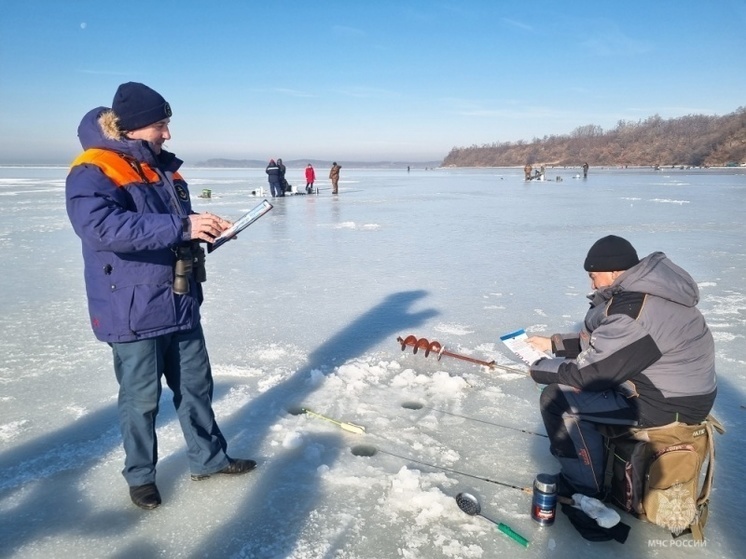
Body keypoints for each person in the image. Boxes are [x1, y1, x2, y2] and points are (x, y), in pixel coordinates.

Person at [65, 82, 257, 511]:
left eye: (167, 124)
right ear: (132, 128)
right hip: (131, 308)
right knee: (141, 399)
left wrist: (205, 228)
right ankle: (140, 477)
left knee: (196, 388)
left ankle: (208, 459)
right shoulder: (93, 169)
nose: (167, 134)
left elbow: (175, 222)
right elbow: (100, 228)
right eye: (160, 125)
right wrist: (181, 228)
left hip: (180, 298)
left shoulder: (163, 168)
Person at [526, 235, 717, 500]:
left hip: (667, 404)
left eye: (594, 276)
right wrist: (554, 344)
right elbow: (612, 344)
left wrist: (539, 368)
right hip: (680, 392)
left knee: (558, 400)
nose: (591, 283)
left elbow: (592, 374)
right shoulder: (651, 294)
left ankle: (583, 487)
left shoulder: (636, 313)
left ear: (615, 272)